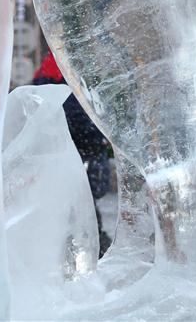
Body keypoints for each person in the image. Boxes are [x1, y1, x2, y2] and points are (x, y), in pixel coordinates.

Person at [33, 50, 112, 256]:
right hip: (83, 153)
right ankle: (91, 244)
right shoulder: (76, 85)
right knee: (84, 203)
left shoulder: (43, 80)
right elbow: (86, 120)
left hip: (70, 153)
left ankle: (78, 243)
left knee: (73, 203)